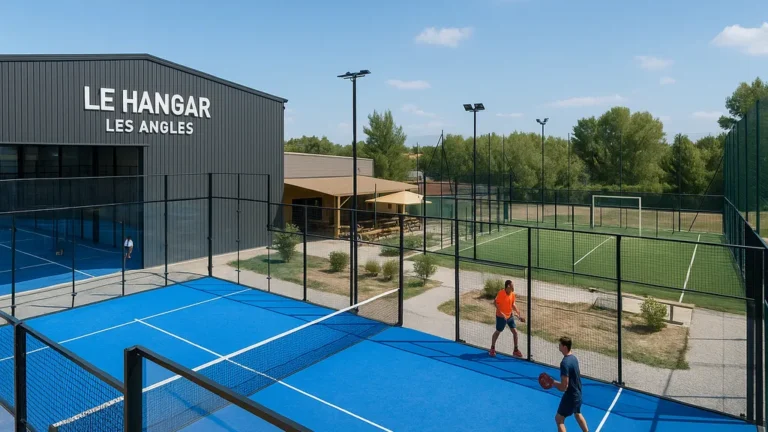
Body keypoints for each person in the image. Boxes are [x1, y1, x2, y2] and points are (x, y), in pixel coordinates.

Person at [552, 336, 588, 432]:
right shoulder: (574, 358)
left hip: (570, 396)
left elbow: (564, 387)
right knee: (577, 413)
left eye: (560, 345)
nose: (558, 346)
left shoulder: (564, 363)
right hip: (578, 394)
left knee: (559, 419)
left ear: (564, 347)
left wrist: (553, 383)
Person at [489, 279, 523, 358]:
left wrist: (518, 313)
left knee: (515, 332)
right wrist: (501, 313)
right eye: (512, 286)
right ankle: (492, 348)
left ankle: (515, 350)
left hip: (510, 316)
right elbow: (495, 302)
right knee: (498, 332)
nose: (513, 287)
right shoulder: (501, 293)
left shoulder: (512, 294)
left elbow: (513, 304)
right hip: (501, 317)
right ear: (508, 286)